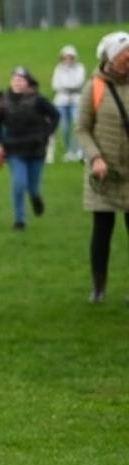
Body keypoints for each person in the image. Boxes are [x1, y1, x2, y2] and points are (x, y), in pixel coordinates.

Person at [77, 30, 129, 304]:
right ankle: (99, 287)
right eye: (124, 55)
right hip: (103, 172)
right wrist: (95, 157)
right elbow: (82, 128)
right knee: (102, 230)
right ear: (111, 58)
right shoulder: (94, 87)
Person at [0, 66, 59, 230]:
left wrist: (46, 134)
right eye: (15, 79)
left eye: (21, 80)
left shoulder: (38, 99)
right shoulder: (4, 102)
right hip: (14, 150)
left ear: (28, 82)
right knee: (19, 183)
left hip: (36, 149)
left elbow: (55, 115)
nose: (17, 83)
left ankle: (36, 198)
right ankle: (20, 220)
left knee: (33, 187)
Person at [51, 44, 86, 161]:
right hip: (62, 101)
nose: (68, 60)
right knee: (64, 127)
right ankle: (69, 150)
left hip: (76, 100)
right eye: (66, 57)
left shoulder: (80, 68)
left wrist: (66, 87)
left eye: (70, 57)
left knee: (77, 125)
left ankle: (79, 150)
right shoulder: (59, 69)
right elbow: (55, 85)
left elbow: (79, 83)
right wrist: (69, 87)